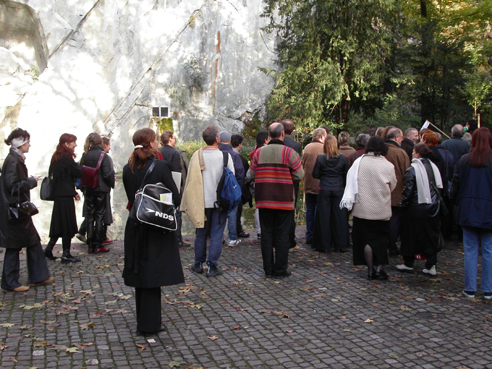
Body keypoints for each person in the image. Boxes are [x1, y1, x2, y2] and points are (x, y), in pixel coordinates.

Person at [122, 128, 183, 336]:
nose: (157, 143)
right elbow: (175, 196)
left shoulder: (127, 168)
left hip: (135, 225)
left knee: (141, 273)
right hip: (156, 226)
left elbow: (132, 197)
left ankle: (146, 321)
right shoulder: (161, 166)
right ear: (150, 144)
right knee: (152, 275)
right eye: (155, 140)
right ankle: (150, 325)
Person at [0, 128, 53, 292]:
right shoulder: (13, 161)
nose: (29, 145)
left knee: (32, 240)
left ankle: (38, 276)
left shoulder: (15, 159)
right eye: (27, 142)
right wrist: (30, 182)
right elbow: (12, 186)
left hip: (18, 211)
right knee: (14, 245)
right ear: (21, 143)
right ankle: (10, 282)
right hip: (15, 211)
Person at [250, 123, 304, 279]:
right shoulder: (290, 152)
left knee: (266, 235)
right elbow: (300, 175)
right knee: (282, 234)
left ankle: (268, 269)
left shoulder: (258, 153)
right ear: (282, 135)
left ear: (269, 135)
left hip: (264, 199)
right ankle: (280, 269)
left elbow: (251, 174)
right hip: (284, 200)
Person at [181, 125, 235, 277]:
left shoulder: (196, 156)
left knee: (201, 234)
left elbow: (190, 179)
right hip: (219, 202)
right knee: (217, 235)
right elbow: (232, 178)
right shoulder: (225, 157)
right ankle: (212, 266)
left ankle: (198, 264)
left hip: (201, 202)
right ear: (217, 139)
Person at [341, 136, 397, 280]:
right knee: (381, 239)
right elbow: (393, 185)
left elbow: (351, 181)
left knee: (366, 240)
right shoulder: (388, 165)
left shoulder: (359, 163)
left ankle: (370, 270)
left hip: (362, 209)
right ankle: (380, 268)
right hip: (381, 209)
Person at [451, 127, 492, 299]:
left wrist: (455, 201)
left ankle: (470, 288)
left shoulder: (464, 161)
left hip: (467, 209)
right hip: (489, 210)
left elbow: (455, 186)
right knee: (489, 250)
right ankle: (488, 289)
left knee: (470, 250)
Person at [396, 143, 444, 275]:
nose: (411, 154)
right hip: (432, 207)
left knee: (410, 235)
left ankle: (408, 262)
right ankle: (431, 264)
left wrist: (403, 207)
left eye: (413, 152)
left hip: (415, 207)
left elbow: (408, 192)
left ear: (417, 154)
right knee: (430, 236)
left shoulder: (412, 169)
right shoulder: (433, 167)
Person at [45, 133, 84, 263]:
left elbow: (61, 179)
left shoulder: (56, 157)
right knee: (67, 225)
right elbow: (78, 172)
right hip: (65, 198)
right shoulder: (67, 158)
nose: (75, 144)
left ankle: (48, 249)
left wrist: (73, 192)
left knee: (58, 224)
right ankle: (66, 254)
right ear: (67, 144)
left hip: (59, 196)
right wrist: (79, 165)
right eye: (73, 142)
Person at [312, 135, 349, 252]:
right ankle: (341, 244)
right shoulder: (342, 159)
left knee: (324, 217)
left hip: (324, 188)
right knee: (339, 217)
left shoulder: (321, 158)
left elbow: (315, 174)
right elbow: (346, 174)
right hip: (338, 189)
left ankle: (324, 245)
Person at [80, 133, 115, 254]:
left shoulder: (85, 155)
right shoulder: (103, 156)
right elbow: (107, 174)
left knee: (90, 216)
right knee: (100, 216)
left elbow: (81, 172)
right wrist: (111, 184)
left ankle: (90, 244)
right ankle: (98, 243)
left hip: (89, 188)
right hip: (101, 189)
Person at [384, 127, 410, 257]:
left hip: (381, 193)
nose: (402, 140)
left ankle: (382, 245)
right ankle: (392, 246)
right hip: (396, 193)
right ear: (396, 138)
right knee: (394, 221)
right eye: (401, 137)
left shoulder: (381, 151)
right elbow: (407, 173)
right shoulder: (401, 153)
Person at [218, 131, 245, 246]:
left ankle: (218, 238)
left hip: (217, 190)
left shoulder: (216, 153)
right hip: (231, 189)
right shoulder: (234, 155)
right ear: (229, 140)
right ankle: (232, 238)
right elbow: (240, 173)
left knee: (218, 215)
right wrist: (238, 189)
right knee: (232, 214)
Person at [301, 128, 327, 245]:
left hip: (308, 183)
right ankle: (317, 236)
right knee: (318, 210)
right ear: (322, 137)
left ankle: (309, 235)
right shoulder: (323, 148)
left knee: (309, 210)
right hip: (319, 183)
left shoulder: (307, 147)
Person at [281, 119, 303, 249]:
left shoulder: (276, 143)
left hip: (277, 180)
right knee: (290, 211)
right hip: (291, 181)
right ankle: (290, 239)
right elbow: (297, 165)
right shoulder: (296, 145)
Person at [249, 131, 269, 239]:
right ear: (266, 140)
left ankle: (259, 230)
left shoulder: (253, 153)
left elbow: (251, 171)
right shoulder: (267, 151)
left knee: (258, 206)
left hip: (257, 182)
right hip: (268, 181)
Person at [231, 133, 250, 239]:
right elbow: (246, 176)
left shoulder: (224, 155)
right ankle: (237, 230)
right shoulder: (241, 159)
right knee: (237, 211)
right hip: (237, 187)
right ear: (240, 144)